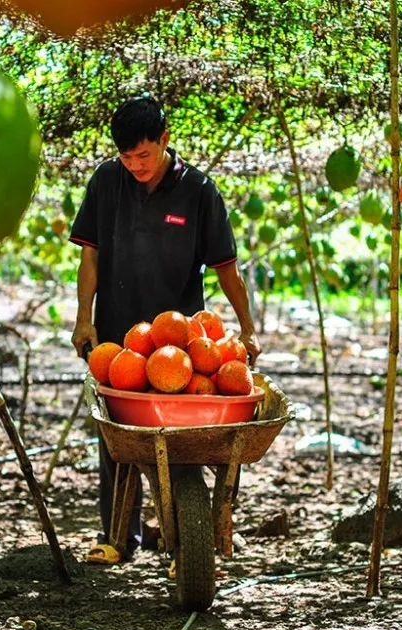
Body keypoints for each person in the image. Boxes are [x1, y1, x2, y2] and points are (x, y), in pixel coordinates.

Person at [68, 95, 261, 565]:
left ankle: (183, 543)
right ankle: (118, 538)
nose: (135, 165)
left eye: (144, 155)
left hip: (179, 343)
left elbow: (226, 269)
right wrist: (83, 317)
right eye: (126, 156)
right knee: (117, 439)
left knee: (182, 443)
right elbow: (89, 256)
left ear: (164, 140)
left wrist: (247, 328)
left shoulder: (198, 191)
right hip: (120, 339)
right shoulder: (106, 181)